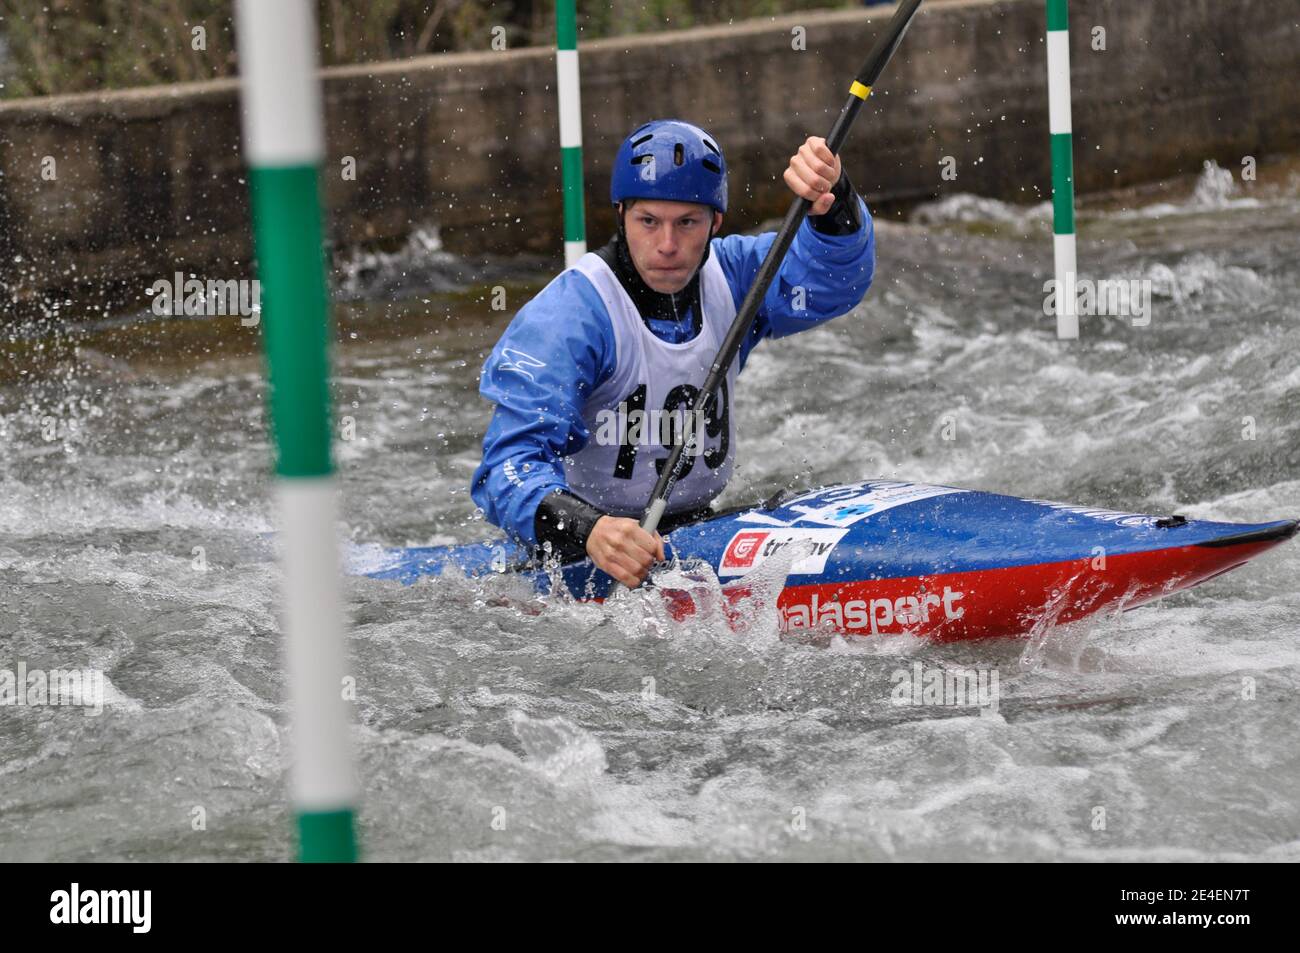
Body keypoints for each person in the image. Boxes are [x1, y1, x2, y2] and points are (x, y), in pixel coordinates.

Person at [470, 119, 875, 587]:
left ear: (715, 222)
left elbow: (833, 282)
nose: (667, 245)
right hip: (583, 552)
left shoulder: (737, 276)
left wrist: (834, 203)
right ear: (621, 215)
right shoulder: (571, 317)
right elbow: (507, 468)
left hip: (702, 529)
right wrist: (589, 530)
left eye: (687, 223)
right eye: (649, 222)